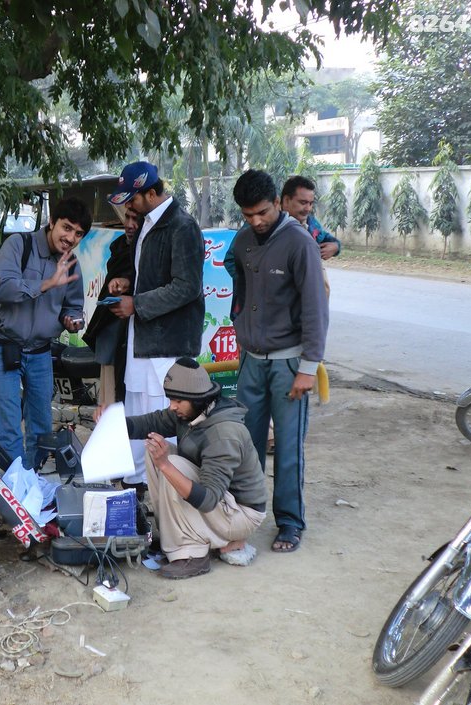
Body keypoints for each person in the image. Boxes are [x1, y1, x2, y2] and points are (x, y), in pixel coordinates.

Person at [228, 169, 329, 553]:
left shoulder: (299, 243)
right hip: (251, 362)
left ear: (278, 203)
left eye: (263, 213)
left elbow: (316, 311)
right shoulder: (242, 241)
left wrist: (307, 367)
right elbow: (239, 287)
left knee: (288, 448)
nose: (256, 221)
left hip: (289, 365)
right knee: (247, 445)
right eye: (247, 214)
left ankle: (289, 522)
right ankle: (245, 514)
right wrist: (241, 328)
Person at [105, 358, 267, 580]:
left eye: (177, 400)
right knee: (155, 450)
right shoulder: (192, 410)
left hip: (241, 514)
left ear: (198, 399)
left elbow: (209, 500)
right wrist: (112, 423)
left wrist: (165, 464)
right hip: (222, 503)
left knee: (173, 464)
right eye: (171, 399)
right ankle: (176, 538)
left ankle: (193, 554)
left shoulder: (223, 433)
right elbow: (151, 422)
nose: (172, 406)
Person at [106, 161, 205, 495]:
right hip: (143, 339)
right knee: (138, 406)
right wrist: (127, 283)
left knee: (162, 415)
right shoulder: (148, 224)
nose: (127, 206)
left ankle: (164, 487)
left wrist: (138, 303)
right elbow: (152, 277)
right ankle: (136, 484)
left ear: (151, 192)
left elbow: (187, 286)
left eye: (131, 198)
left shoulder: (182, 226)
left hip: (167, 344)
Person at [0, 197, 91, 469]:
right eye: (66, 228)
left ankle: (35, 485)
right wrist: (46, 284)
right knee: (9, 425)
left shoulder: (71, 262)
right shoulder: (18, 245)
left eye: (78, 234)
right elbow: (3, 289)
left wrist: (72, 320)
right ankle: (14, 494)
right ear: (52, 222)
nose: (71, 238)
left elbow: (74, 305)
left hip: (41, 352)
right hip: (3, 346)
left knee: (42, 426)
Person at [82, 205, 138, 405]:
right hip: (113, 331)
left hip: (139, 341)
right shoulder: (120, 247)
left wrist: (130, 284)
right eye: (128, 218)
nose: (129, 225)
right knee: (109, 400)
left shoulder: (149, 250)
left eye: (136, 220)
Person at [281, 175, 340, 299]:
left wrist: (335, 246)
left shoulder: (311, 224)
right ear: (286, 201)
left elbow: (330, 240)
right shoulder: (268, 224)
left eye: (310, 203)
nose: (308, 208)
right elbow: (232, 259)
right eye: (303, 203)